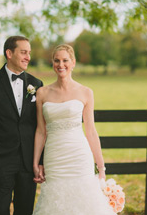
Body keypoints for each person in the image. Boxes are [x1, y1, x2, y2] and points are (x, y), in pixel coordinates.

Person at [31, 44, 116, 215]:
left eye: (65, 60)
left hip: (79, 156)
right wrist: (36, 162)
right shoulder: (42, 93)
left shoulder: (85, 92)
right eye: (56, 61)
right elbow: (41, 131)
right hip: (54, 158)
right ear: (52, 63)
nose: (60, 65)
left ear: (73, 62)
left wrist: (101, 168)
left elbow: (91, 131)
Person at [0, 36, 44, 215]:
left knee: (25, 210)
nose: (28, 57)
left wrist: (39, 161)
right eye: (23, 52)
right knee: (0, 210)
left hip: (28, 161)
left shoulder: (37, 84)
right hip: (1, 159)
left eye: (29, 53)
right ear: (9, 53)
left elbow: (42, 126)